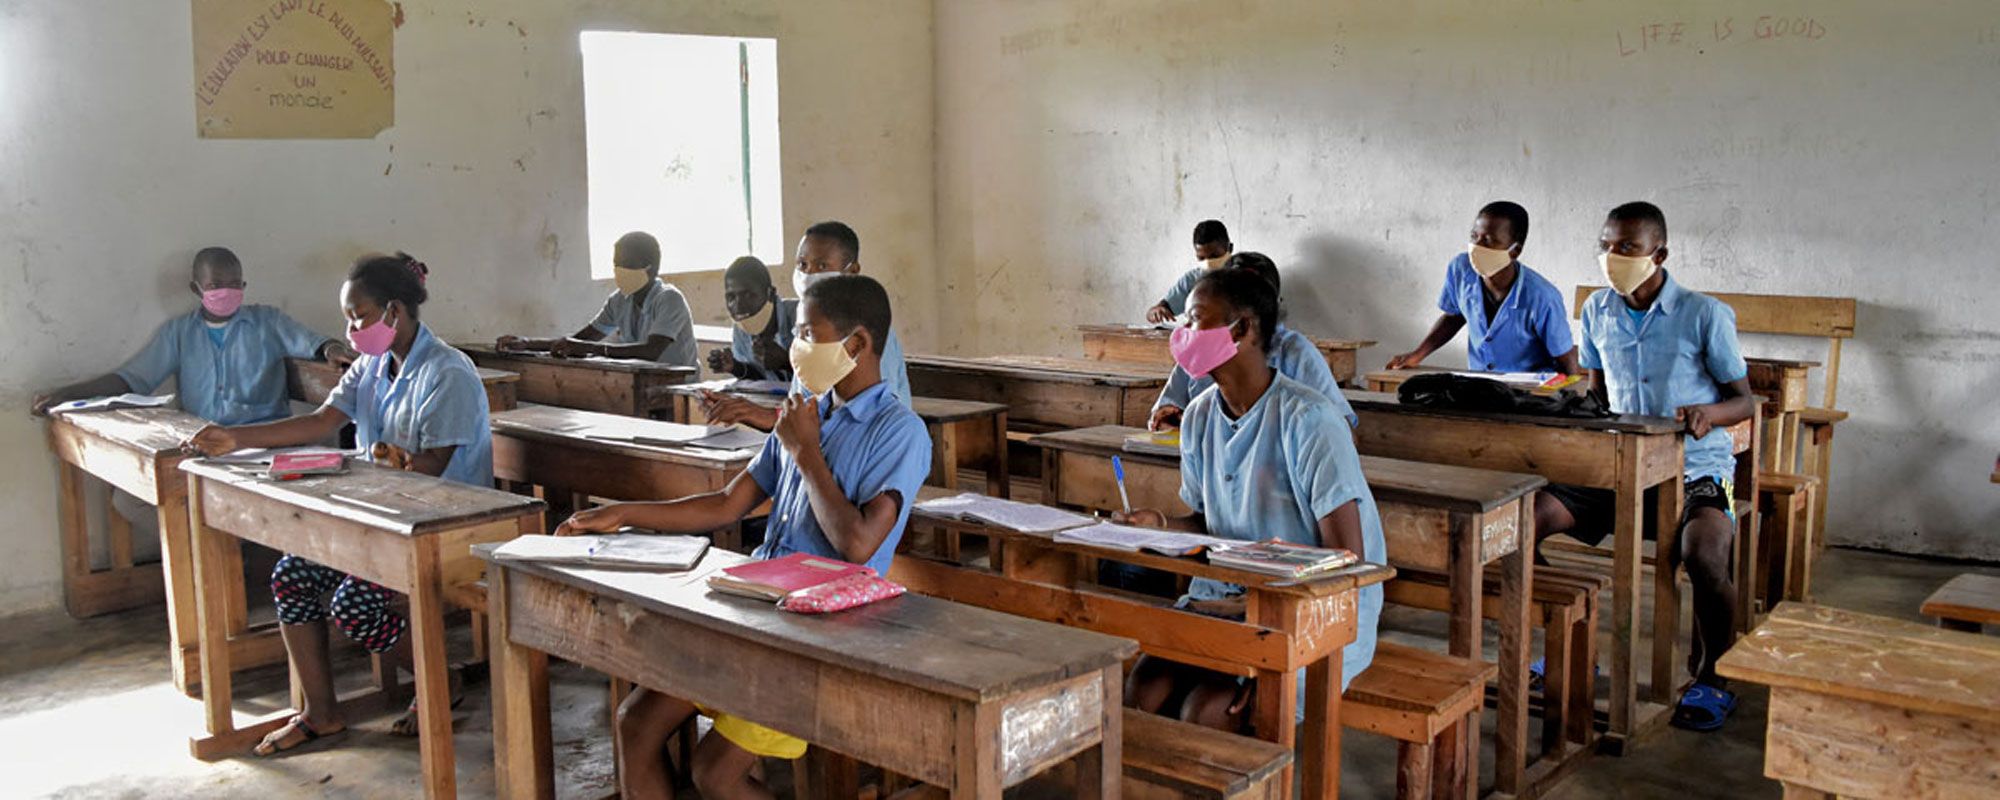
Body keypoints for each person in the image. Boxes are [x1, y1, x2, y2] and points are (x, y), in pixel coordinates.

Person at [556, 274, 929, 800]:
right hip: (754, 606)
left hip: (820, 634)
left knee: (714, 773)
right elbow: (729, 502)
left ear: (858, 344)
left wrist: (807, 453)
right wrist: (621, 514)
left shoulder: (898, 431)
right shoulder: (806, 413)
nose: (796, 350)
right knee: (634, 724)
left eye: (807, 335)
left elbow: (859, 544)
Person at [183, 252, 494, 755]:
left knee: (355, 602)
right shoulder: (373, 364)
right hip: (383, 516)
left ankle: (440, 677)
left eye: (359, 316)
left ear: (393, 311)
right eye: (347, 318)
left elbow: (431, 474)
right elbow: (321, 420)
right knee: (291, 575)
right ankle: (321, 713)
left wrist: (389, 463)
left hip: (444, 523)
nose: (351, 330)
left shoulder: (448, 372)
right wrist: (233, 439)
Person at [1117, 268, 1385, 732]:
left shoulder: (1310, 420)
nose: (1181, 333)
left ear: (1240, 330)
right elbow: (1207, 522)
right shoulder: (1199, 416)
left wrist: (1255, 618)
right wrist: (1161, 524)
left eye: (1195, 320)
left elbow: (1349, 563)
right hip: (1224, 598)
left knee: (1204, 712)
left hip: (1312, 611)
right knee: (1142, 691)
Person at [1535, 202, 1753, 733]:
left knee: (1704, 554)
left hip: (1692, 466)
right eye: (1607, 245)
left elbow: (1745, 402)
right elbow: (1597, 389)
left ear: (1660, 254)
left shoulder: (1704, 314)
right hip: (1618, 463)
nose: (1614, 257)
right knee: (1522, 523)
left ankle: (1713, 676)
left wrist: (1708, 414)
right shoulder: (1597, 311)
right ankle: (1571, 643)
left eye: (1628, 248)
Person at [32, 246, 356, 420]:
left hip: (263, 438)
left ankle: (234, 546)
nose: (226, 291)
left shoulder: (267, 322)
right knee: (131, 502)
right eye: (215, 285)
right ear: (196, 289)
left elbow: (315, 342)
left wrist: (331, 348)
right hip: (206, 441)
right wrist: (67, 394)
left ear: (244, 286)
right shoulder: (179, 333)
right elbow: (131, 379)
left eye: (234, 284)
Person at [704, 221, 911, 430]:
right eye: (802, 265)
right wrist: (753, 413)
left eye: (821, 266)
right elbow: (802, 408)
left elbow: (873, 414)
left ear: (852, 271)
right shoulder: (805, 336)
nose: (809, 275)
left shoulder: (870, 333)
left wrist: (764, 415)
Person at [1148, 252, 1356, 432]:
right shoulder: (1201, 364)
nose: (1186, 330)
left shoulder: (1296, 354)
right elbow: (1168, 411)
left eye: (1196, 317)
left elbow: (1341, 430)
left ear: (1242, 326)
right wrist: (1171, 418)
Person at [1387, 201, 1580, 374]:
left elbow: (1565, 357)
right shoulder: (1461, 269)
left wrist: (1568, 402)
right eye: (1474, 237)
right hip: (1480, 383)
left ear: (1515, 251)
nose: (1477, 247)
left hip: (1529, 392)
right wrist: (1417, 354)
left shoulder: (1542, 297)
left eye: (1489, 240)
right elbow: (1454, 316)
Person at [495, 231, 697, 367]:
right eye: (616, 264)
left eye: (627, 263)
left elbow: (651, 352)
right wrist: (527, 343)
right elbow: (579, 340)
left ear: (649, 267)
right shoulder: (619, 300)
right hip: (642, 382)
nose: (619, 270)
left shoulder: (669, 299)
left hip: (677, 387)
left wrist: (591, 349)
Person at [707, 255, 795, 382]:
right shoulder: (741, 327)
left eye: (748, 295)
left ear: (770, 294)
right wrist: (735, 367)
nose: (738, 305)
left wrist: (787, 362)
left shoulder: (802, 316)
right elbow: (762, 380)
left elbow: (827, 377)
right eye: (731, 297)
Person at [1144, 219, 1234, 324]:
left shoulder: (1246, 278)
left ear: (1230, 248)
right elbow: (1160, 309)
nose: (1208, 263)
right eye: (1201, 258)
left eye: (1214, 256)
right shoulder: (1191, 280)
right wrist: (1155, 312)